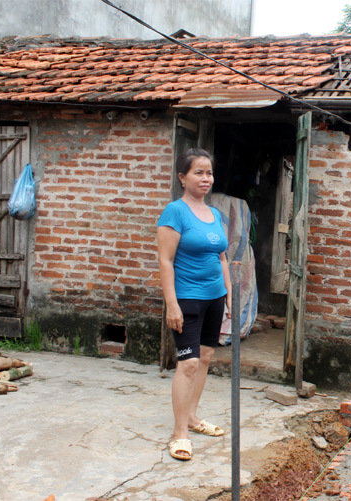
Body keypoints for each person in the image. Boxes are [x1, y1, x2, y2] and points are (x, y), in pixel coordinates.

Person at [157, 148, 232, 461]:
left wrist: (228, 295)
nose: (206, 178)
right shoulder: (174, 212)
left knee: (205, 357)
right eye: (199, 172)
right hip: (187, 298)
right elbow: (165, 260)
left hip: (214, 297)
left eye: (209, 173)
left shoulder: (215, 215)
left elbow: (222, 257)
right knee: (187, 363)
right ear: (182, 177)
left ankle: (192, 417)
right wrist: (171, 304)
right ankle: (179, 433)